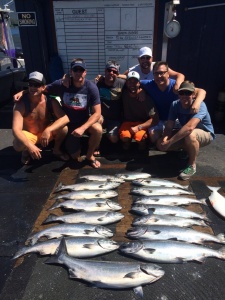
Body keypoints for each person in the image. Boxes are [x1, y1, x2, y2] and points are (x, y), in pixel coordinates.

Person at [14, 59, 102, 168]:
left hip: (83, 122)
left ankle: (90, 156)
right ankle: (30, 151)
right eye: (75, 70)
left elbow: (97, 113)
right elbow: (40, 89)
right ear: (71, 71)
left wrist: (83, 128)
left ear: (85, 72)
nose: (78, 72)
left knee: (98, 128)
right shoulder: (61, 84)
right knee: (75, 155)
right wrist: (24, 91)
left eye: (81, 70)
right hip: (69, 125)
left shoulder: (91, 87)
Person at [156, 80, 215, 180]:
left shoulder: (201, 105)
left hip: (205, 134)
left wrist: (170, 142)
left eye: (188, 93)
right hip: (187, 133)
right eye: (181, 93)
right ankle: (187, 150)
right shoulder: (174, 105)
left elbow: (189, 127)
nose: (184, 96)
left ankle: (192, 165)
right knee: (159, 144)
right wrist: (165, 139)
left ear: (193, 94)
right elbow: (169, 126)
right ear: (178, 94)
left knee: (190, 135)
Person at [140, 61, 207, 144]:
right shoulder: (149, 84)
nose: (159, 76)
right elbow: (133, 81)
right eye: (156, 73)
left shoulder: (176, 86)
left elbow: (201, 91)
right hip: (160, 120)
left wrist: (197, 103)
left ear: (168, 74)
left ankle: (182, 146)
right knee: (154, 137)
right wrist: (141, 90)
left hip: (177, 120)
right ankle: (170, 145)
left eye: (162, 73)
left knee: (186, 134)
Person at [12, 71, 70, 165]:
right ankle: (26, 152)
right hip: (30, 136)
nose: (33, 88)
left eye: (37, 85)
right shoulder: (20, 104)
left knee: (64, 128)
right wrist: (29, 145)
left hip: (44, 135)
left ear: (43, 87)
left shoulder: (50, 101)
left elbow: (65, 118)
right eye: (31, 84)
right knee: (18, 144)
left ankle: (56, 150)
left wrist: (48, 130)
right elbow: (16, 129)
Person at [119, 71, 158, 150]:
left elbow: (155, 118)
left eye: (135, 82)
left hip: (141, 123)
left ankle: (142, 146)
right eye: (130, 81)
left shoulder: (146, 98)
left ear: (139, 83)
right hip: (127, 122)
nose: (132, 84)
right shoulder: (123, 93)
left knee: (141, 138)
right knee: (125, 137)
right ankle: (127, 142)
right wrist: (101, 78)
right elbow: (113, 77)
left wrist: (139, 127)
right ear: (126, 83)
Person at [120, 46, 184, 92]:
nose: (145, 60)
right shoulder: (133, 70)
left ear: (152, 58)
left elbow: (180, 75)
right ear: (138, 59)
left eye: (148, 58)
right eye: (142, 58)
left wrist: (178, 84)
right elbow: (124, 77)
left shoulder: (158, 67)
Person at [96, 60, 126, 144]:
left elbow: (134, 81)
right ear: (105, 71)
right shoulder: (97, 83)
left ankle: (106, 134)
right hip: (100, 116)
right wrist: (68, 77)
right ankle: (96, 146)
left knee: (114, 139)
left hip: (115, 119)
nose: (111, 73)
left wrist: (141, 91)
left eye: (114, 71)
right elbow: (82, 83)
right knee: (96, 126)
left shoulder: (122, 83)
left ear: (118, 74)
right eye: (109, 70)